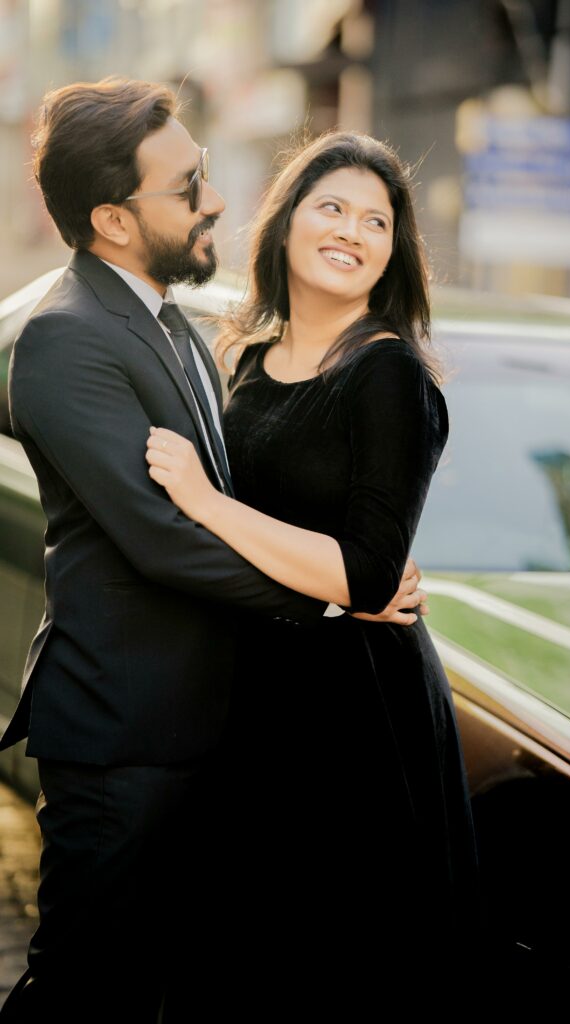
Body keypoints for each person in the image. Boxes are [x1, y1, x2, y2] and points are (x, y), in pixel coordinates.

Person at [0, 82, 422, 1023]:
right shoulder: (66, 338)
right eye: (188, 186)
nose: (217, 200)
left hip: (204, 730)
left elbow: (230, 504)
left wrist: (332, 563)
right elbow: (164, 540)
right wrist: (336, 595)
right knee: (82, 992)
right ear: (113, 220)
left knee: (163, 993)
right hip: (123, 736)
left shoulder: (177, 324)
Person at [145, 130, 480, 1013]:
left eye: (376, 221)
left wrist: (205, 502)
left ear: (392, 254)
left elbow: (366, 574)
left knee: (335, 977)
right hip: (254, 697)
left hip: (352, 717)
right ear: (286, 221)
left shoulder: (387, 373)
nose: (351, 231)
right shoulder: (248, 364)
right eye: (332, 207)